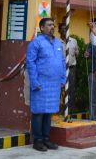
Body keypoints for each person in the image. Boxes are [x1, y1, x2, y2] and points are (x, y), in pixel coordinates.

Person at [26, 18, 66, 152]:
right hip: (41, 83)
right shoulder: (36, 43)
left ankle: (46, 139)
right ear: (42, 28)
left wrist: (62, 79)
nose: (52, 27)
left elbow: (62, 61)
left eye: (53, 25)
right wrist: (34, 81)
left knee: (48, 113)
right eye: (49, 25)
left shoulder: (58, 43)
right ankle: (37, 141)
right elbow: (30, 63)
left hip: (54, 84)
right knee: (39, 112)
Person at [59, 23, 79, 121]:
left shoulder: (74, 41)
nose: (64, 31)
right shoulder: (56, 42)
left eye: (66, 29)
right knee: (59, 90)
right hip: (59, 70)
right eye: (62, 29)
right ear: (59, 31)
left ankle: (70, 110)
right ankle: (58, 110)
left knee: (71, 90)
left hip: (71, 68)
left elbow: (76, 54)